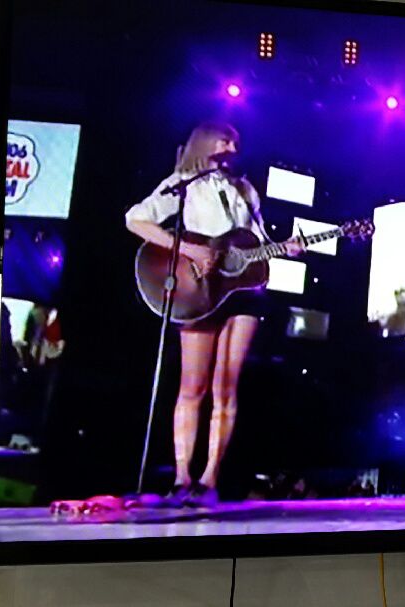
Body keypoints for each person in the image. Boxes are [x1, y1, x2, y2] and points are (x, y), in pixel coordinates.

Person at [126, 121, 302, 506]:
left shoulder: (245, 189)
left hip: (243, 291)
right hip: (200, 289)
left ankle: (209, 479)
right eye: (225, 141)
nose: (232, 149)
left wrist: (284, 247)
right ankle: (181, 477)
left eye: (235, 143)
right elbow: (136, 219)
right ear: (206, 144)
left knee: (226, 386)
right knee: (193, 385)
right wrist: (189, 250)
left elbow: (255, 240)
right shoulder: (184, 183)